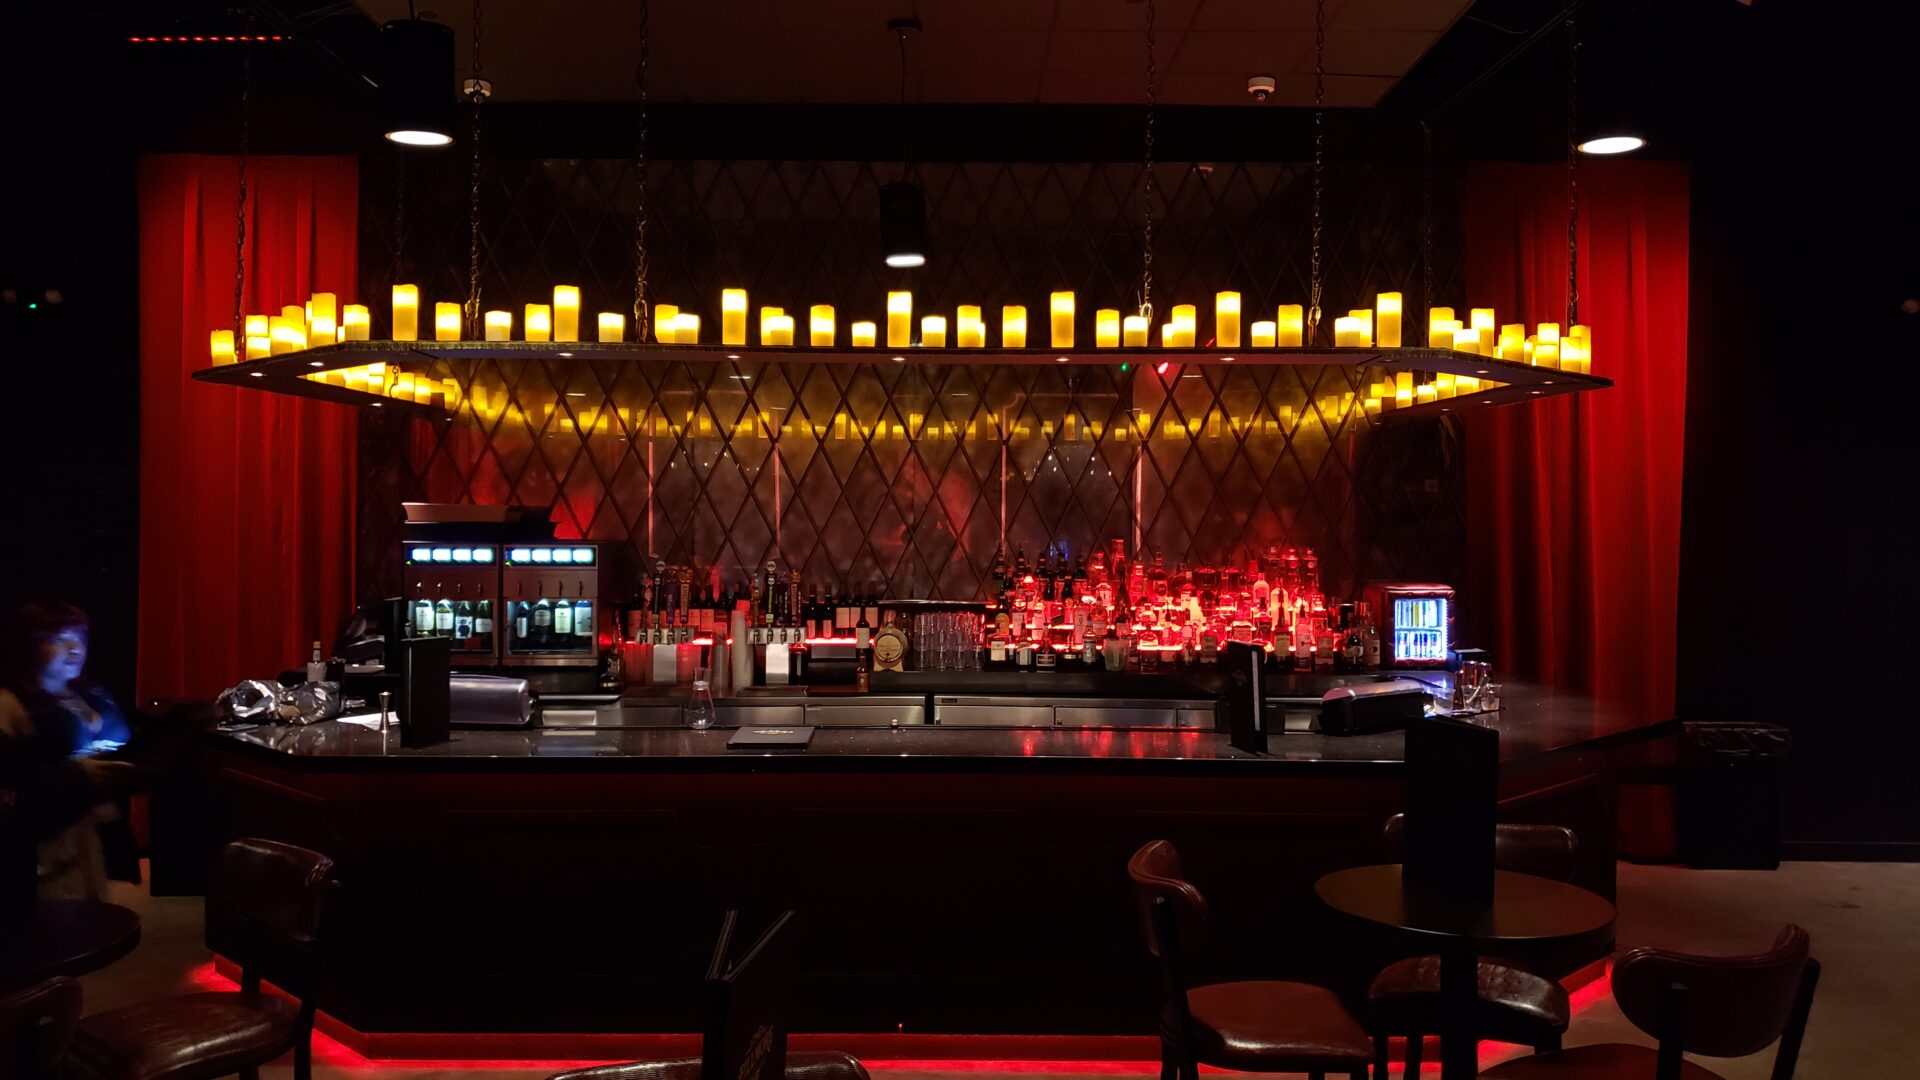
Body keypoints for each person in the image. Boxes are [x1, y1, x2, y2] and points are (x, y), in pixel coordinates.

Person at [0, 599, 137, 899]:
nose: (75, 649)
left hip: (86, 837)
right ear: (29, 644)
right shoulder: (9, 704)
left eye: (81, 638)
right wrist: (79, 776)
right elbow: (13, 784)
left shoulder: (90, 694)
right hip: (43, 851)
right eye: (60, 639)